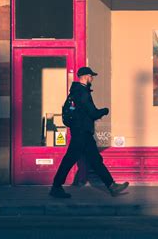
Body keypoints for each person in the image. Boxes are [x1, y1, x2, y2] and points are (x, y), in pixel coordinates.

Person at [49, 66, 129, 198]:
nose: (92, 79)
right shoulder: (83, 93)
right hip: (82, 134)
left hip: (82, 133)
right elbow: (92, 113)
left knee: (95, 160)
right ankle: (56, 187)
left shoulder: (75, 92)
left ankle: (111, 185)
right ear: (86, 76)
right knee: (69, 160)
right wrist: (105, 111)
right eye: (91, 76)